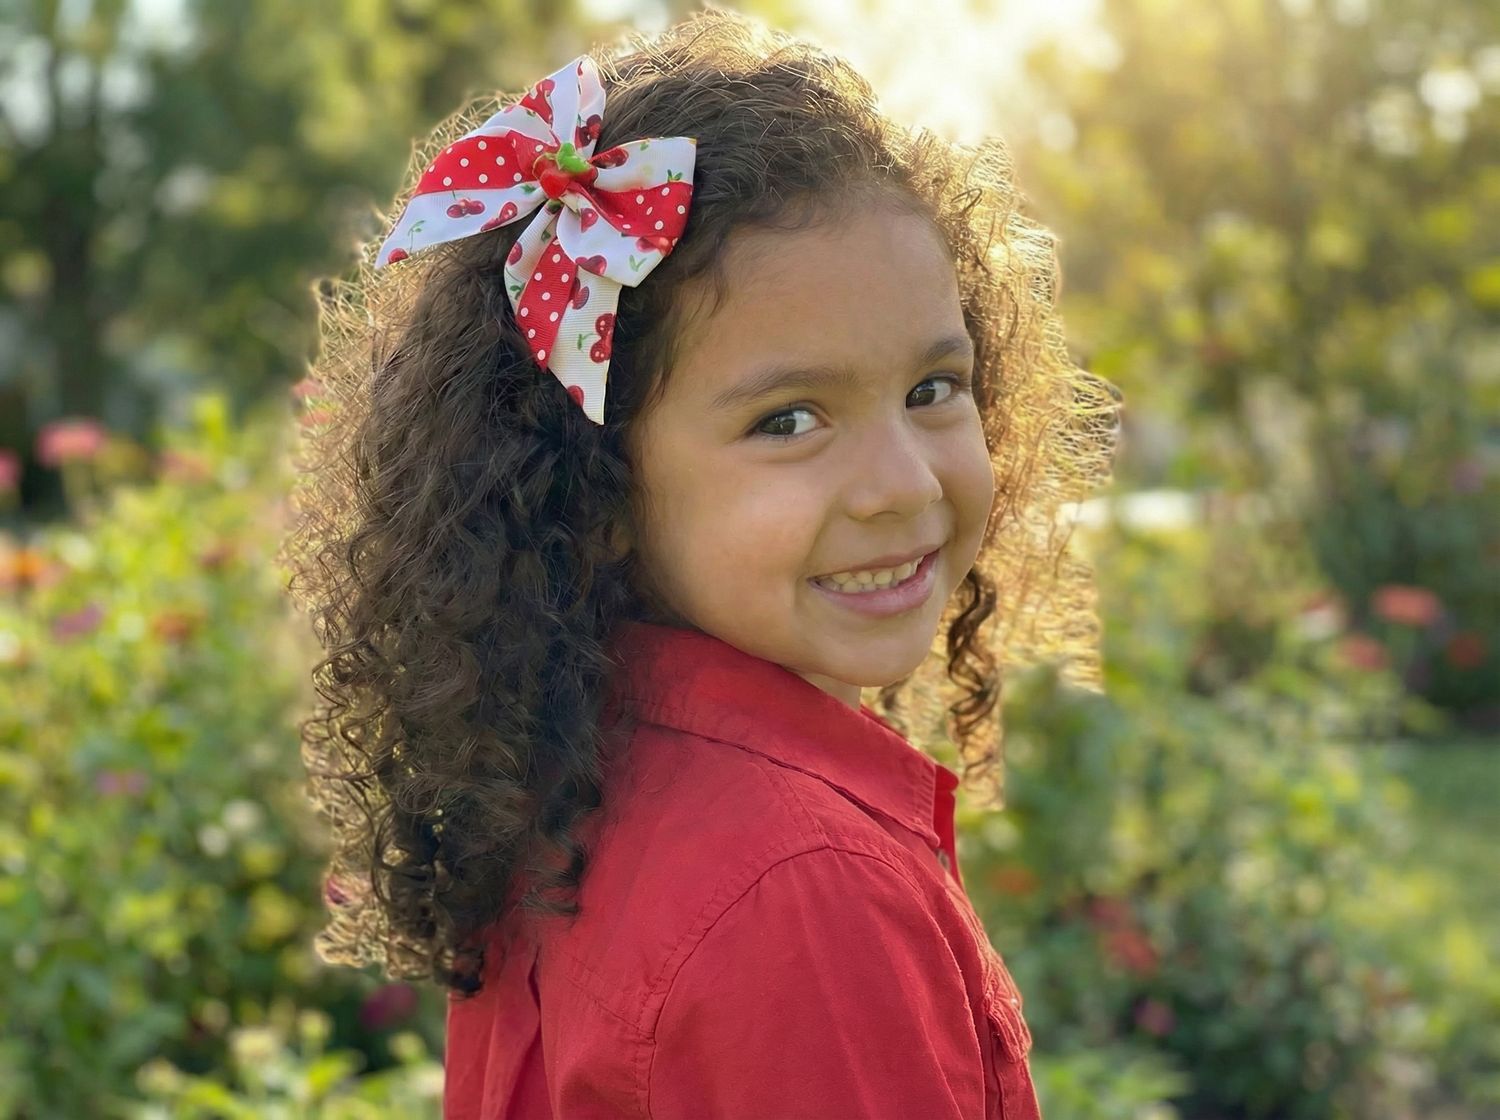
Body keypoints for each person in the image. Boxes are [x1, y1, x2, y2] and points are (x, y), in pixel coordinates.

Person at [280, 8, 1120, 1118]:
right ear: (599, 486)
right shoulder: (802, 893)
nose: (907, 485)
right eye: (789, 419)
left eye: (932, 389)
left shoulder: (574, 765)